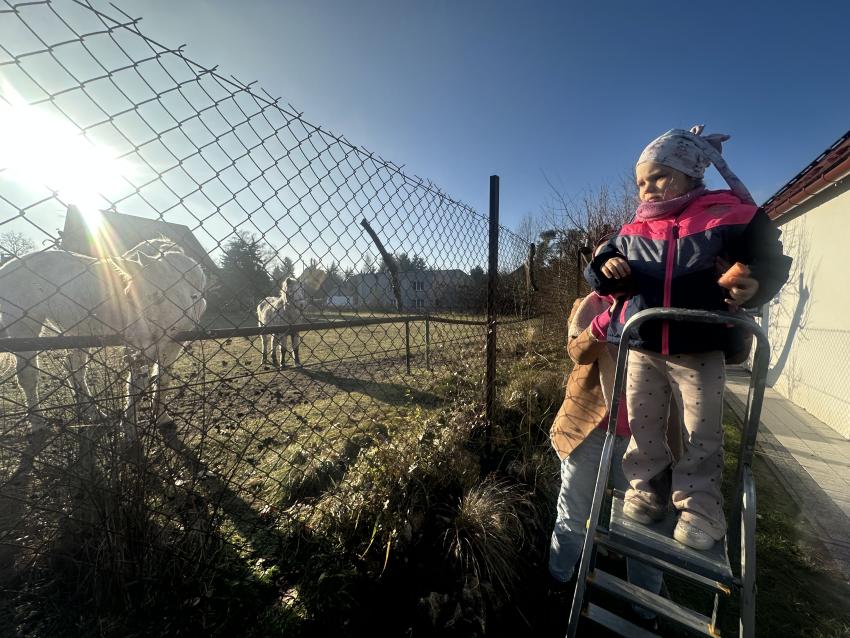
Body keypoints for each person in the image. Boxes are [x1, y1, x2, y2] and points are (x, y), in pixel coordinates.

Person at [585, 125, 792, 550]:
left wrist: (753, 281)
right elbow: (602, 263)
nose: (647, 189)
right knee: (643, 426)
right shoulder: (633, 230)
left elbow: (768, 255)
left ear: (690, 173)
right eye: (641, 182)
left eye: (659, 176)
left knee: (702, 432)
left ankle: (700, 509)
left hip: (699, 348)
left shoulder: (727, 214)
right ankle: (647, 490)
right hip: (643, 346)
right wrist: (606, 268)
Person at [548, 286, 664, 623]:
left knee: (644, 529)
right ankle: (558, 582)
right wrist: (608, 318)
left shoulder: (663, 302)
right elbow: (578, 352)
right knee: (573, 516)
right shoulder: (589, 305)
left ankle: (645, 609)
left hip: (646, 436)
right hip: (589, 430)